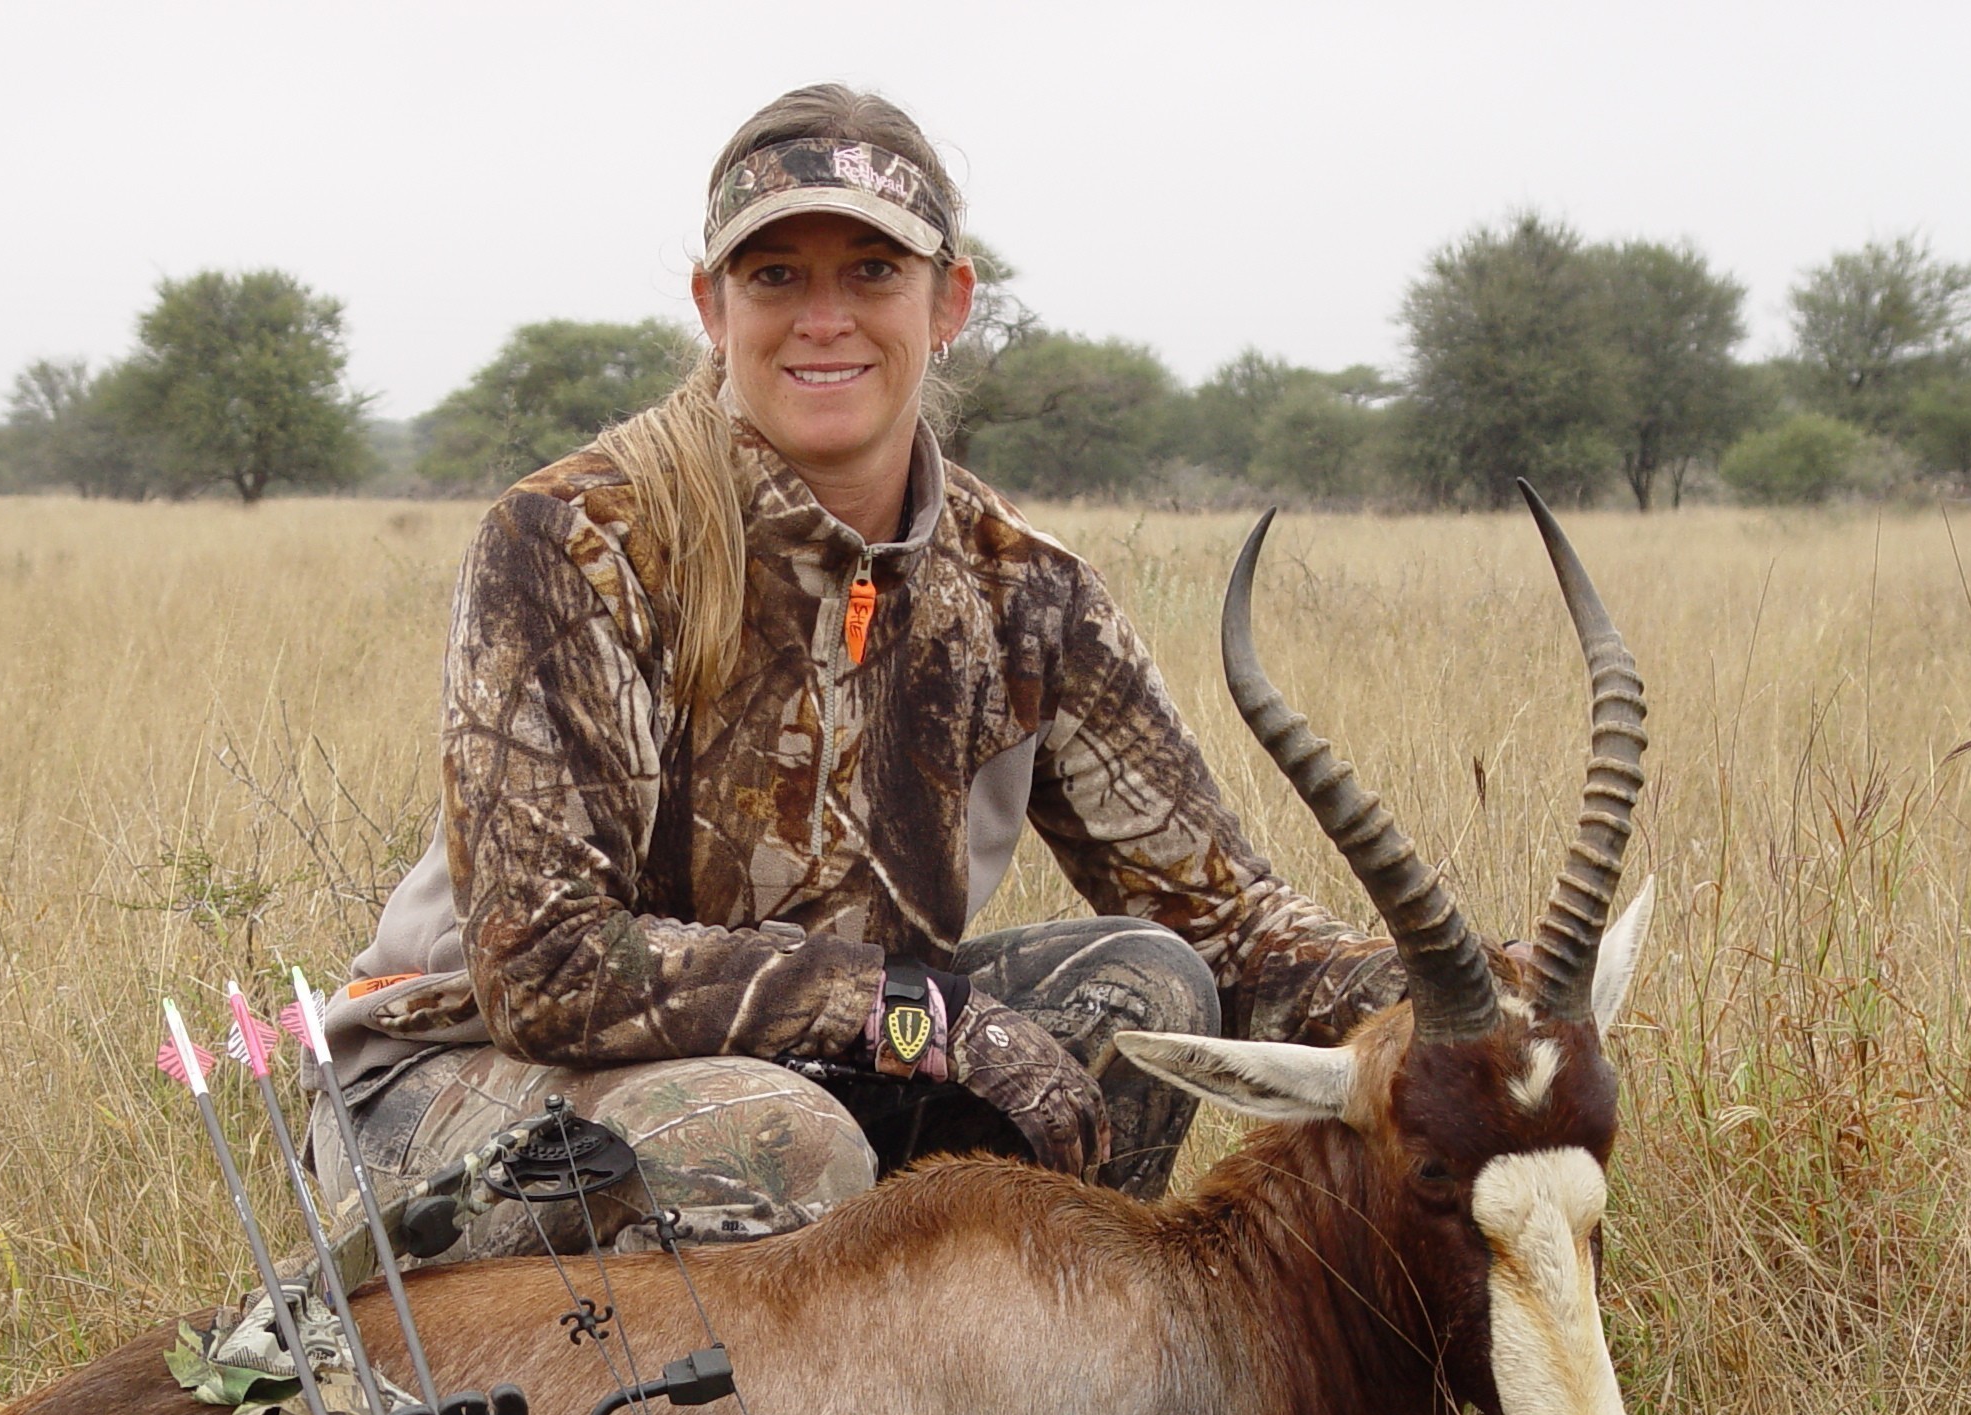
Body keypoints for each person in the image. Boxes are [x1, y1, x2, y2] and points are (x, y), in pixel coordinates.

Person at [307, 83, 1398, 1257]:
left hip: (829, 1068)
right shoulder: (573, 538)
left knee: (1146, 987)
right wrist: (900, 1011)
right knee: (775, 1138)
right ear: (711, 307)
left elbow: (1225, 928)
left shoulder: (1027, 591)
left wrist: (1468, 990)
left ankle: (1026, 1408)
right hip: (461, 1076)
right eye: (774, 275)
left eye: (873, 272)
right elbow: (548, 970)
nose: (823, 318)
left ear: (950, 304)